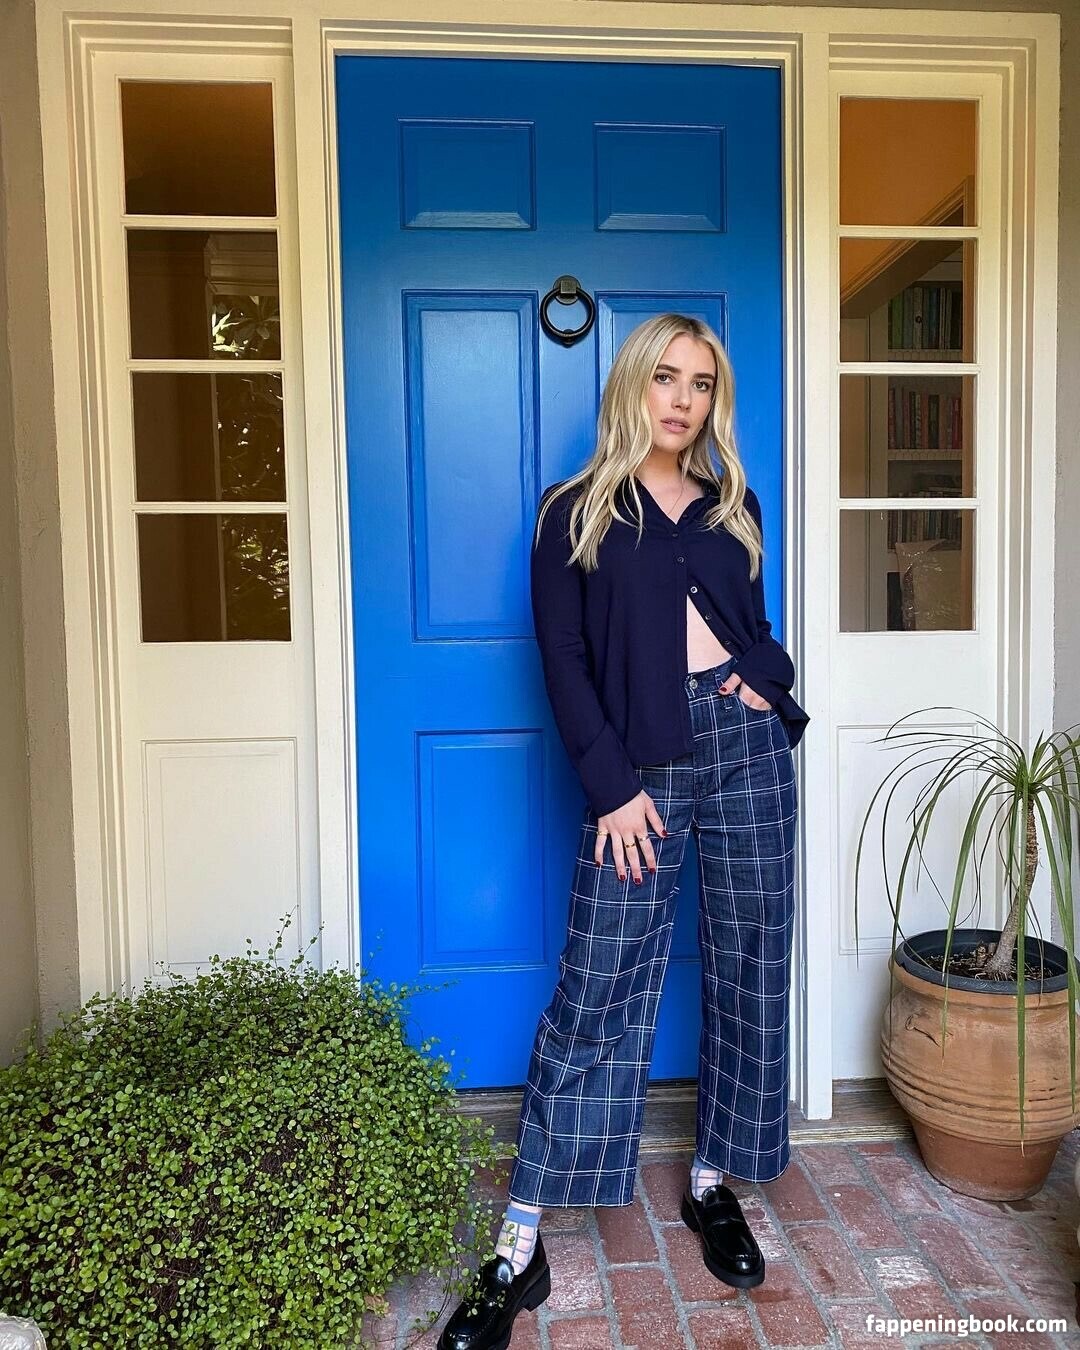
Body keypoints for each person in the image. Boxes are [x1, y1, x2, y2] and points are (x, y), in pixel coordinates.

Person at [438, 314, 808, 1350]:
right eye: (665, 378)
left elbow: (755, 629)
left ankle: (710, 1182)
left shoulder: (733, 505)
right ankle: (519, 1241)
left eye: (701, 383)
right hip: (635, 766)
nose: (682, 399)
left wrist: (764, 679)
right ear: (634, 386)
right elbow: (561, 658)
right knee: (598, 981)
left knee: (749, 963)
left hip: (746, 754)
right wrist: (609, 789)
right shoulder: (575, 511)